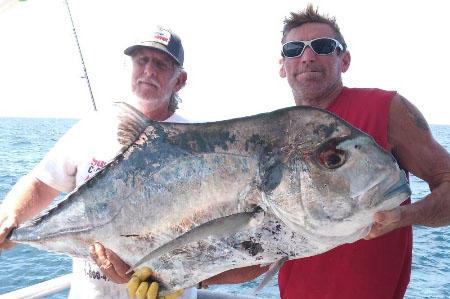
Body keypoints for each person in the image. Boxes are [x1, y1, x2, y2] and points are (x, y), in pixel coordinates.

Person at [201, 4, 450, 299]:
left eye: (322, 46)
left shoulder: (386, 109)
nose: (307, 56)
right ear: (282, 65)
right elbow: (264, 251)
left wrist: (405, 216)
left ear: (344, 59)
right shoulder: (272, 137)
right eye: (294, 49)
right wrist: (192, 281)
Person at [0, 26, 195, 299]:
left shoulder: (197, 141)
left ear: (179, 80)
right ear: (130, 67)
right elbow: (41, 183)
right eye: (142, 61)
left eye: (161, 64)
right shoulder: (92, 127)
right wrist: (10, 216)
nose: (149, 70)